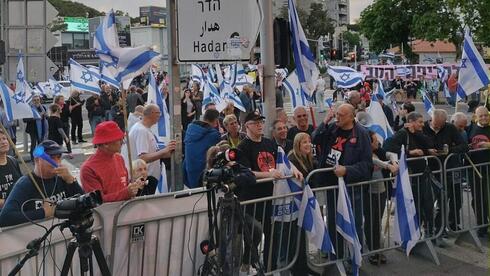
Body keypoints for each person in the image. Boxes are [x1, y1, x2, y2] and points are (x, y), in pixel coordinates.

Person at [237, 111, 302, 272]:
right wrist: (269, 174)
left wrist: (295, 171)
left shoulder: (270, 143)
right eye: (255, 122)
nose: (260, 125)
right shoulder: (242, 147)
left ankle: (269, 269)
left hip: (271, 198)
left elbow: (283, 160)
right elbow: (246, 172)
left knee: (272, 237)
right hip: (251, 201)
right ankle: (247, 264)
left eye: (261, 122)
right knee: (253, 237)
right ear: (247, 126)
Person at [312, 103, 373, 264]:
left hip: (351, 187)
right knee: (333, 223)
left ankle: (355, 259)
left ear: (352, 117)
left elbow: (367, 165)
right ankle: (336, 258)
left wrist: (347, 170)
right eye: (337, 114)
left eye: (341, 115)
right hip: (332, 185)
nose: (337, 117)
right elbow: (315, 139)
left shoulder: (361, 134)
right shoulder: (332, 128)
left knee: (354, 224)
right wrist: (325, 122)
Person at [0, 140, 84, 227]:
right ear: (37, 160)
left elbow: (85, 204)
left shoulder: (62, 177)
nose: (56, 162)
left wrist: (71, 181)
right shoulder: (25, 184)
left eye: (59, 157)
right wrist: (43, 213)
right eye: (51, 158)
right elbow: (4, 218)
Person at [80, 121, 145, 202]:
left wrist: (134, 185)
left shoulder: (119, 158)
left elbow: (124, 185)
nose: (122, 142)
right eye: (119, 139)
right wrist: (126, 193)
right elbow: (97, 201)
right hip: (106, 213)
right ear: (106, 144)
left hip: (126, 210)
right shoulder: (88, 169)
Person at [364, 131, 398, 265]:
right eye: (374, 140)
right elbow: (372, 160)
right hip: (369, 192)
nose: (377, 142)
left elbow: (390, 154)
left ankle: (378, 249)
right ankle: (373, 250)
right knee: (371, 221)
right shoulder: (364, 153)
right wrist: (388, 165)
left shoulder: (379, 150)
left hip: (381, 190)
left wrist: (393, 161)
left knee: (377, 220)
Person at [125, 104, 176, 181]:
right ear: (152, 113)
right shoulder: (141, 131)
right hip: (144, 178)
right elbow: (143, 157)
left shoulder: (144, 128)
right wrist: (164, 150)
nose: (160, 116)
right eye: (158, 113)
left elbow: (152, 153)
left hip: (149, 177)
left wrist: (168, 152)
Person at [467, 106, 490, 237]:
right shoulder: (470, 128)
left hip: (488, 168)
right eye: (481, 116)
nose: (484, 118)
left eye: (486, 115)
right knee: (478, 199)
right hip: (474, 169)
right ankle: (482, 225)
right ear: (476, 117)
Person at [183, 109, 221, 188]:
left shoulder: (190, 130)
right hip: (204, 175)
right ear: (216, 121)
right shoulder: (214, 135)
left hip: (189, 172)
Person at [0, 129, 21, 209]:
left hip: (18, 208)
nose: (3, 142)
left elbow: (20, 184)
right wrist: (10, 202)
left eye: (4, 138)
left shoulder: (13, 161)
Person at [24, 95, 48, 161]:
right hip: (33, 129)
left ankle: (40, 158)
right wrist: (35, 118)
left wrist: (46, 116)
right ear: (32, 101)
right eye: (35, 100)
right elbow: (25, 120)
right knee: (33, 144)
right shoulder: (29, 108)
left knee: (41, 144)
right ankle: (33, 159)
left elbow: (46, 117)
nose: (36, 101)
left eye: (38, 100)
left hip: (42, 128)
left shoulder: (43, 107)